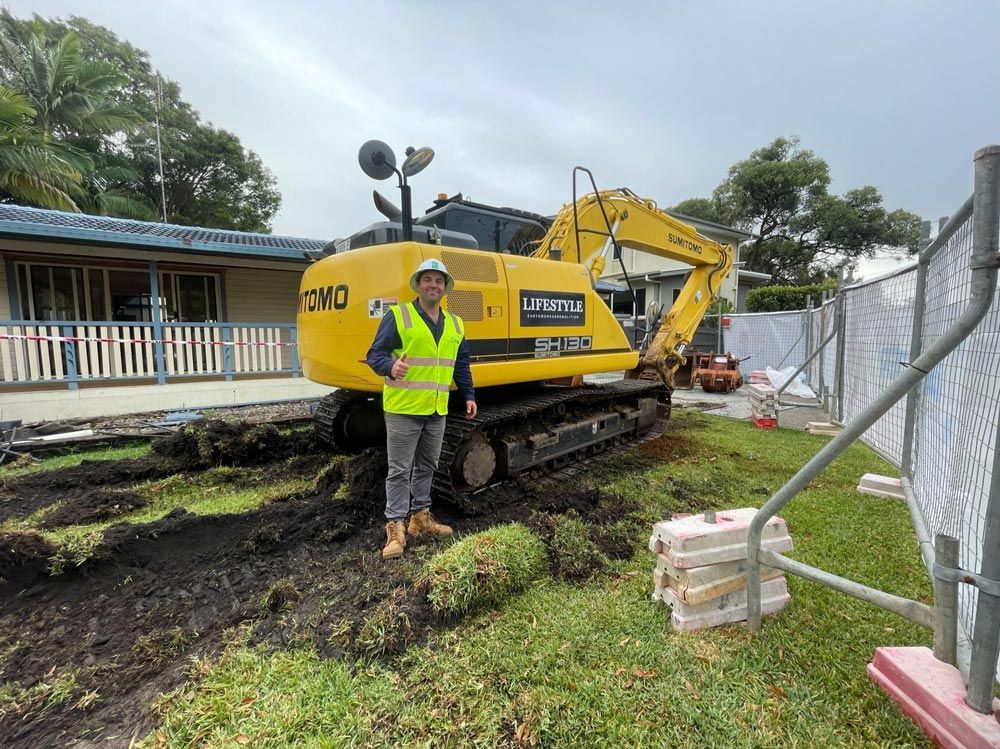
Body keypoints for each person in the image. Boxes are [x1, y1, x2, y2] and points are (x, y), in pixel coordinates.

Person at [365, 258, 477, 560]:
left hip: (436, 409)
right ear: (419, 284)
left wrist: (468, 394)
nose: (433, 285)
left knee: (427, 466)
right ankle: (395, 527)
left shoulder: (455, 323)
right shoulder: (399, 316)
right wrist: (390, 366)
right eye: (427, 279)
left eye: (438, 281)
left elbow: (461, 362)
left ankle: (420, 518)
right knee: (399, 469)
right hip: (403, 408)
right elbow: (374, 354)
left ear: (445, 288)